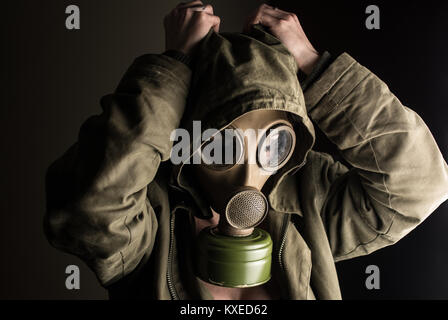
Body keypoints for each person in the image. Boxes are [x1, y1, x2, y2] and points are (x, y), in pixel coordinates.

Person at [44, 1, 448, 300]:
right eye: (222, 145)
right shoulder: (151, 211)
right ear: (188, 139)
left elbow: (420, 184)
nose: (250, 168)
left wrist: (311, 62)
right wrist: (174, 63)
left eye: (274, 143)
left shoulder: (306, 196)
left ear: (294, 141)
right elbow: (90, 207)